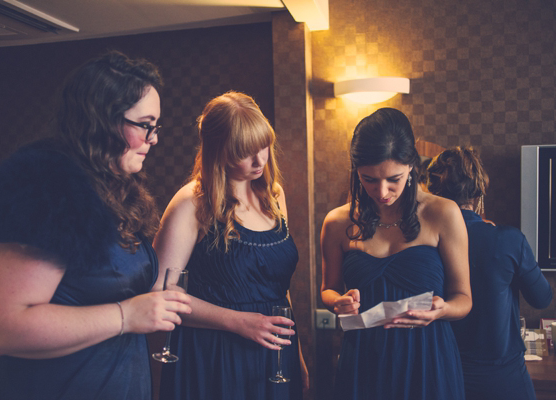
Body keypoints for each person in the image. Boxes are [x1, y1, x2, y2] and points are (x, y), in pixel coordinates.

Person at [0, 51, 192, 400]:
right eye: (145, 125)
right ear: (103, 120)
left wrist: (152, 302)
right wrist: (126, 316)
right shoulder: (45, 190)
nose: (154, 138)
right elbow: (1, 329)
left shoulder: (118, 190)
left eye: (155, 127)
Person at [154, 91, 307, 400]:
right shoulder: (191, 203)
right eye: (245, 152)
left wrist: (299, 356)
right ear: (218, 152)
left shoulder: (274, 195)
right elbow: (160, 294)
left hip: (274, 355)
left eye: (263, 145)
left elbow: (279, 290)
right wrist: (237, 322)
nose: (260, 160)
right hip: (212, 356)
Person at [320, 107, 472, 399]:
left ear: (412, 166)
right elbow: (328, 289)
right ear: (356, 171)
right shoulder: (337, 222)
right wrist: (338, 302)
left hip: (427, 358)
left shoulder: (443, 213)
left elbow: (464, 299)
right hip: (363, 358)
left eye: (394, 178)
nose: (382, 191)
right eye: (369, 179)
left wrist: (443, 310)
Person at [426, 146, 553, 400]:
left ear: (434, 193)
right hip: (503, 380)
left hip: (442, 374)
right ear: (478, 192)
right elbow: (542, 298)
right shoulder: (508, 240)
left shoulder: (423, 244)